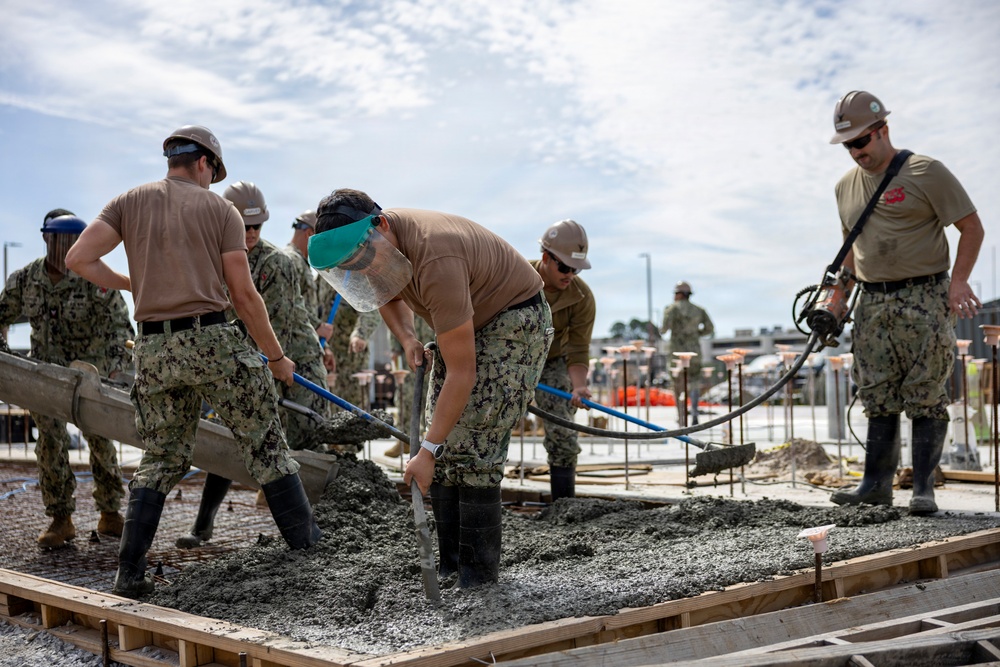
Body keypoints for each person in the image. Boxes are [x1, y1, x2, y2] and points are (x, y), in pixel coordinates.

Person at [65, 125, 321, 597]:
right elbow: (244, 295)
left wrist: (132, 284)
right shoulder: (218, 209)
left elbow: (79, 258)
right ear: (204, 163)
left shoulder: (128, 201)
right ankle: (308, 553)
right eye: (213, 172)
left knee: (161, 457)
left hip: (155, 350)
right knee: (264, 443)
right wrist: (278, 358)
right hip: (212, 341)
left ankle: (129, 573)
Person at [309, 189, 552, 587]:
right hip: (472, 318)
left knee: (473, 438)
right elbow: (380, 288)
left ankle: (478, 577)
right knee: (442, 441)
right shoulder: (385, 245)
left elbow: (462, 373)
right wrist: (407, 337)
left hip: (513, 320)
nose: (364, 267)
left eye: (363, 258)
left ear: (380, 225)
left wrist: (427, 450)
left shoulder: (435, 258)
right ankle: (450, 566)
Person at [825, 91, 983, 515]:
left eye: (861, 142)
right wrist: (835, 303)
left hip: (924, 296)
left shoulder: (925, 171)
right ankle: (875, 486)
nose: (856, 152)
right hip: (873, 303)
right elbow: (850, 255)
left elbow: (971, 227)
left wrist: (959, 282)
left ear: (883, 131)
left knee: (926, 392)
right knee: (876, 391)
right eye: (848, 145)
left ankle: (923, 490)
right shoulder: (844, 188)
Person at [174, 181, 332, 549]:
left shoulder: (275, 264)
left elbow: (272, 329)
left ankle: (317, 533)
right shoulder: (210, 261)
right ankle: (202, 527)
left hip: (292, 362)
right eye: (242, 227)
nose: (249, 235)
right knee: (229, 440)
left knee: (305, 448)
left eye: (256, 228)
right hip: (244, 360)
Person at [0, 210, 133, 548]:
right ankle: (61, 519)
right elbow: (1, 315)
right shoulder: (26, 279)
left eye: (73, 240)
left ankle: (110, 512)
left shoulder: (94, 276)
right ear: (46, 238)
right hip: (45, 377)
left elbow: (120, 325)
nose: (65, 246)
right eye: (59, 239)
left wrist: (115, 368)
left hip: (90, 374)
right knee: (50, 444)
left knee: (101, 440)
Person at [529, 219, 595, 500]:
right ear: (546, 257)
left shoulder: (581, 297)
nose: (571, 274)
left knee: (564, 430)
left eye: (576, 268)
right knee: (491, 425)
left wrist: (578, 386)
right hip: (509, 358)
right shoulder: (515, 278)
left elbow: (578, 349)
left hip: (553, 361)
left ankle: (563, 505)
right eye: (565, 267)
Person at [315, 276, 382, 410]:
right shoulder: (324, 276)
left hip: (351, 356)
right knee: (328, 404)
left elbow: (371, 311)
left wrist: (360, 334)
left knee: (354, 405)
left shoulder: (356, 276)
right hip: (326, 351)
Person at [660, 281, 714, 425]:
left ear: (679, 294)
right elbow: (709, 328)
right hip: (694, 351)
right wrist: (696, 333)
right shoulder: (699, 310)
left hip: (677, 352)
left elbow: (664, 329)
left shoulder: (671, 309)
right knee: (695, 382)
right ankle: (694, 412)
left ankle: (681, 416)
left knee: (678, 385)